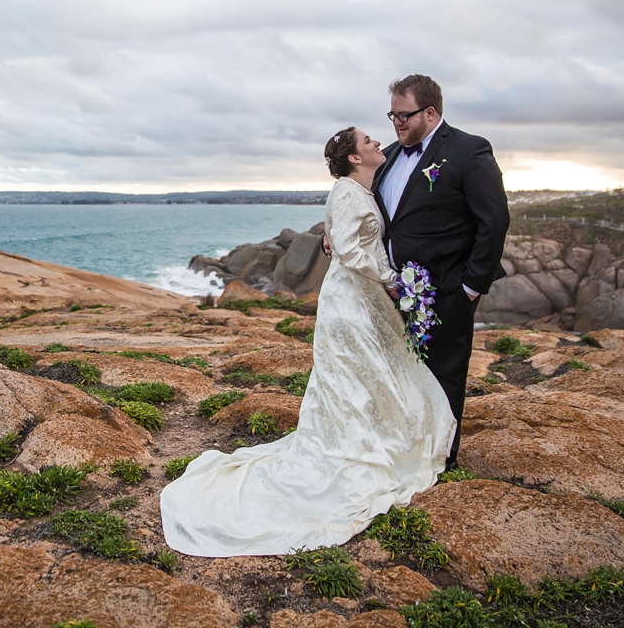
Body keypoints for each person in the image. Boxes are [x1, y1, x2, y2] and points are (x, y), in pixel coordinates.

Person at [160, 127, 457, 557]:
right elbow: (353, 252)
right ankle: (357, 447)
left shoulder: (356, 188)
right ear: (355, 158)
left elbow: (342, 239)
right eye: (369, 141)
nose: (377, 142)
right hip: (352, 300)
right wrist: (395, 281)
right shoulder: (348, 193)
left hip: (360, 298)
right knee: (352, 374)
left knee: (364, 373)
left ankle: (374, 434)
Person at [372, 74, 509, 469]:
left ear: (430, 112)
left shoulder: (469, 151)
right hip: (394, 289)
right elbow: (376, 214)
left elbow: (494, 221)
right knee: (400, 374)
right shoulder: (391, 155)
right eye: (392, 115)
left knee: (443, 375)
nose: (396, 124)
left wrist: (470, 286)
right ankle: (402, 449)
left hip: (445, 289)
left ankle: (438, 461)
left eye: (405, 115)